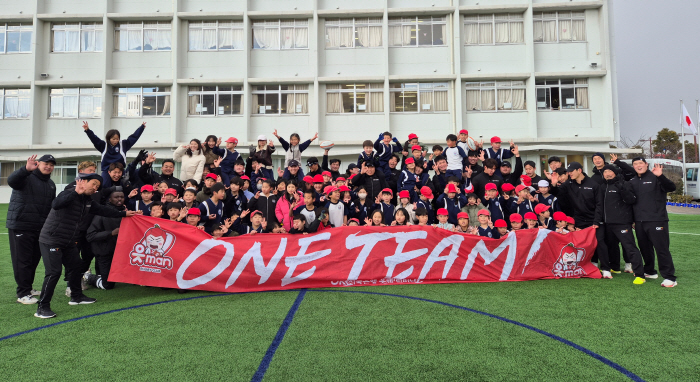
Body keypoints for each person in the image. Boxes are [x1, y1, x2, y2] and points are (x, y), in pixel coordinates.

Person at [36, 175, 140, 319]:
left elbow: (104, 210)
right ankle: (42, 307)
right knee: (54, 272)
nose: (95, 188)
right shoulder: (69, 192)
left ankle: (76, 296)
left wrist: (124, 214)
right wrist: (75, 192)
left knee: (76, 267)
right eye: (94, 184)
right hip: (52, 239)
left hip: (69, 240)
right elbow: (56, 204)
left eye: (98, 186)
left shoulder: (88, 201)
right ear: (83, 182)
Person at [7, 154, 57, 305]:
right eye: (45, 163)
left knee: (34, 259)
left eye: (51, 164)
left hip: (39, 228)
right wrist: (25, 169)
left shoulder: (51, 184)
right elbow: (12, 181)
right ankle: (22, 293)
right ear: (38, 164)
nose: (48, 166)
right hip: (21, 225)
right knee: (22, 260)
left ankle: (28, 288)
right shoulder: (26, 177)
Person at [627, 158, 677, 287]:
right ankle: (650, 271)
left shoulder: (656, 177)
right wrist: (633, 219)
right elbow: (632, 203)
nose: (638, 166)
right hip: (639, 221)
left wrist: (660, 176)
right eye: (635, 164)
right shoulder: (632, 181)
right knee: (645, 248)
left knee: (661, 249)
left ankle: (670, 277)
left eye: (640, 163)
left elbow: (671, 187)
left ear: (646, 165)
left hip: (657, 219)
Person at [597, 164, 646, 283]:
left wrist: (622, 189)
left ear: (615, 173)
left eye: (610, 171)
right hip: (607, 223)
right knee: (612, 247)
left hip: (622, 223)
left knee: (630, 247)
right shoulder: (603, 186)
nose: (607, 174)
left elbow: (631, 200)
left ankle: (640, 274)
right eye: (605, 172)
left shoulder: (624, 183)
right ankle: (615, 267)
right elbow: (599, 205)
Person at [559, 161, 607, 270]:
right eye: (568, 172)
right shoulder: (569, 184)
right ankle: (588, 265)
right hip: (579, 220)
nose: (569, 174)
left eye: (571, 171)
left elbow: (600, 204)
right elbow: (559, 195)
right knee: (582, 244)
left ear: (579, 170)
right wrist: (553, 184)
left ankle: (606, 269)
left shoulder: (593, 184)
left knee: (600, 244)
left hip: (594, 220)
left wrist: (596, 221)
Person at [84, 187, 127, 291]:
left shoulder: (127, 214)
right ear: (110, 200)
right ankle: (88, 276)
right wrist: (111, 233)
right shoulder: (102, 214)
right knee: (107, 285)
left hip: (119, 253)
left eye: (121, 197)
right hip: (104, 253)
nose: (119, 199)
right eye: (116, 197)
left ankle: (101, 275)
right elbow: (90, 236)